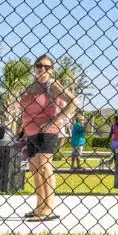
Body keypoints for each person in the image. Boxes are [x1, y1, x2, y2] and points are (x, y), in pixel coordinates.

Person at [18, 54, 77, 222]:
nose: (42, 69)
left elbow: (74, 102)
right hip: (30, 132)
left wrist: (56, 119)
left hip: (47, 131)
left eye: (46, 66)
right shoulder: (32, 86)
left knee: (45, 168)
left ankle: (49, 208)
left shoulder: (52, 85)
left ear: (52, 70)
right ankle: (39, 206)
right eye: (39, 65)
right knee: (35, 169)